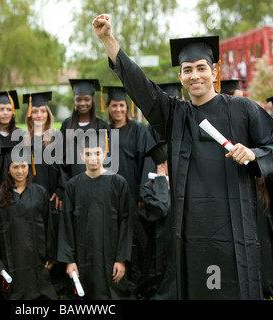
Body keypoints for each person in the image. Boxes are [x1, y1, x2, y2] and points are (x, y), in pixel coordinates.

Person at [93, 14, 273, 299]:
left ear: (215, 71)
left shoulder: (243, 109)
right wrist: (107, 39)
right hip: (193, 234)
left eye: (201, 68)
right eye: (187, 70)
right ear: (181, 77)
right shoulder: (175, 114)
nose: (195, 75)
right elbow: (141, 86)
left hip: (236, 230)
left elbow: (272, 146)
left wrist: (254, 153)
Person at [57, 132, 133, 300]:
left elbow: (126, 222)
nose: (93, 158)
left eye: (97, 153)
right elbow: (66, 224)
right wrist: (69, 261)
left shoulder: (118, 183)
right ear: (82, 155)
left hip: (111, 258)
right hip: (82, 258)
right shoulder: (73, 186)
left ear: (105, 154)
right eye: (88, 153)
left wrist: (121, 259)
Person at [103, 85, 154, 297]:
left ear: (127, 107)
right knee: (116, 237)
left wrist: (144, 192)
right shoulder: (103, 131)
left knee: (138, 238)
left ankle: (140, 281)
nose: (117, 109)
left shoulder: (139, 130)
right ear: (108, 107)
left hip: (133, 192)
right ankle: (119, 282)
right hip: (110, 195)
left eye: (121, 105)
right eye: (114, 105)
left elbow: (148, 161)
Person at [0, 146, 57, 300]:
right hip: (11, 261)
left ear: (29, 166)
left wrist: (51, 256)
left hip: (37, 259)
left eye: (23, 166)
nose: (20, 171)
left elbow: (49, 225)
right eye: (15, 167)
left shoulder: (40, 192)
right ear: (8, 170)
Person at [23, 91, 68, 295]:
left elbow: (64, 167)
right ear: (30, 115)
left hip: (52, 196)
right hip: (34, 197)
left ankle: (58, 281)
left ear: (47, 113)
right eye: (35, 111)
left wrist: (60, 190)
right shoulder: (25, 140)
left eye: (42, 110)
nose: (39, 114)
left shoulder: (56, 136)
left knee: (54, 235)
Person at [138, 141, 177, 300]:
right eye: (169, 163)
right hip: (158, 244)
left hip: (176, 242)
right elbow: (162, 207)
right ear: (161, 166)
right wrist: (161, 183)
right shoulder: (148, 188)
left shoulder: (179, 185)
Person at [60, 79, 110, 179]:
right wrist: (65, 185)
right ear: (74, 101)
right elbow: (62, 158)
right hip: (72, 182)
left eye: (87, 99)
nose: (82, 103)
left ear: (92, 100)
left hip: (96, 181)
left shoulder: (102, 126)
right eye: (78, 100)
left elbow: (107, 157)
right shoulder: (67, 124)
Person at [0, 90, 26, 179]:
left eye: (9, 109)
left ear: (13, 113)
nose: (5, 113)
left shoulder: (21, 135)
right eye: (1, 109)